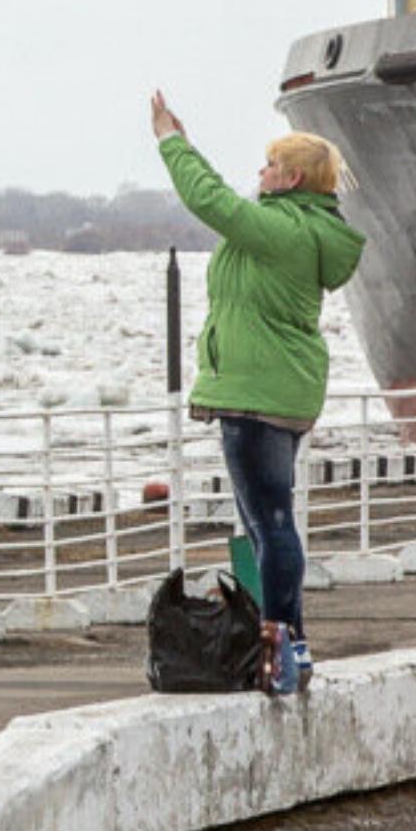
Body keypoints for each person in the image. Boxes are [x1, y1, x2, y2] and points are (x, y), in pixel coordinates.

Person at [151, 90, 364, 693]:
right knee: (268, 519)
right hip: (283, 390)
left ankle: (286, 641)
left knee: (269, 521)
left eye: (270, 165)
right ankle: (286, 639)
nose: (260, 174)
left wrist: (171, 140)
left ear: (292, 177)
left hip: (257, 394)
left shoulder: (282, 229)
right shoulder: (305, 229)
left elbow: (209, 200)